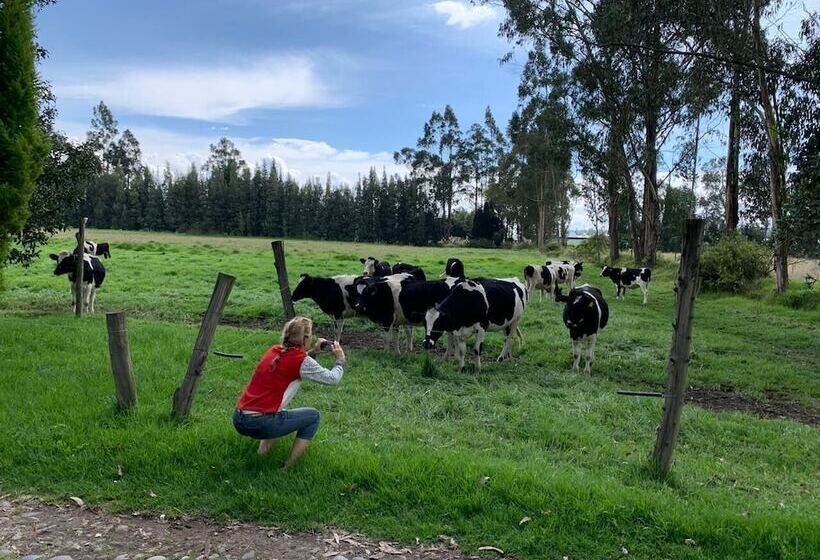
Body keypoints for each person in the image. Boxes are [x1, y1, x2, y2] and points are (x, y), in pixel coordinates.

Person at [233, 316, 346, 470]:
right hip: (259, 423)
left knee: (279, 413)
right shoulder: (300, 361)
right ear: (306, 338)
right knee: (313, 416)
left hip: (239, 418)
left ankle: (261, 455)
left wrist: (313, 352)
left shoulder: (274, 351)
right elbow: (333, 379)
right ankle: (288, 467)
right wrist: (340, 360)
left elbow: (293, 364)